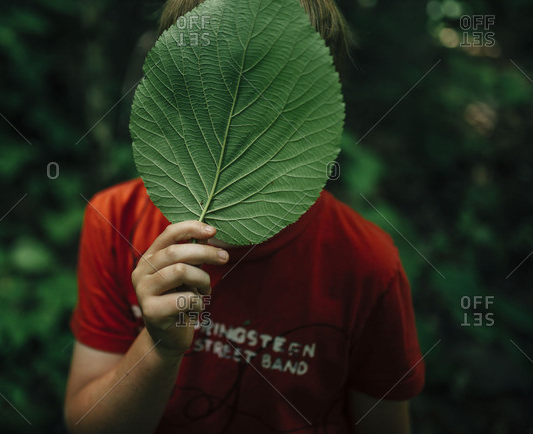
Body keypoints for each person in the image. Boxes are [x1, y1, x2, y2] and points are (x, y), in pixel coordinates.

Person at [64, 0, 425, 433]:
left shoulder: (367, 265)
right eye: (211, 80)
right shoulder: (115, 221)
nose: (239, 115)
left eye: (274, 86)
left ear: (316, 108)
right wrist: (159, 348)